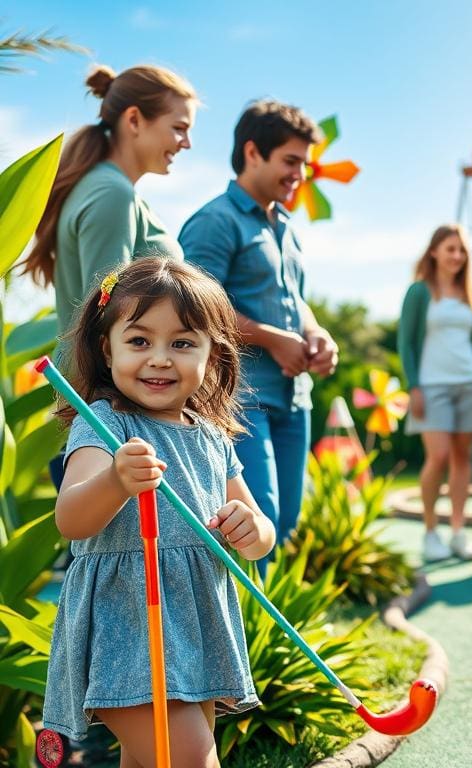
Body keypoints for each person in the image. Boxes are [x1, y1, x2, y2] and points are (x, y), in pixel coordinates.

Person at [42, 257, 275, 766]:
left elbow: (259, 534)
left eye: (183, 343)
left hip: (194, 624)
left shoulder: (211, 435)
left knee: (155, 759)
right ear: (108, 349)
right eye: (140, 341)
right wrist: (114, 481)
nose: (161, 359)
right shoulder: (104, 425)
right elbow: (72, 519)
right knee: (191, 759)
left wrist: (251, 529)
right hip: (126, 624)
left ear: (213, 355)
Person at [180, 100, 338, 547]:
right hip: (241, 401)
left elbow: (295, 301)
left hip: (294, 400)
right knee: (253, 527)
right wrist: (271, 339)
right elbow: (194, 309)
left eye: (304, 164)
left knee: (283, 525)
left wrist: (315, 333)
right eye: (291, 161)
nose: (300, 175)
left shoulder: (285, 224)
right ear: (253, 152)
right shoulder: (214, 221)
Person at [23, 64, 196, 338]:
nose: (187, 143)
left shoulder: (101, 187)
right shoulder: (112, 194)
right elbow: (106, 314)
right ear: (134, 120)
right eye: (179, 128)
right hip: (100, 380)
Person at [399, 225, 472, 562]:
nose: (456, 256)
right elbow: (406, 343)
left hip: (469, 384)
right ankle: (430, 533)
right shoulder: (419, 292)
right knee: (437, 457)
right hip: (432, 387)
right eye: (450, 249)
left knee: (462, 459)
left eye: (461, 250)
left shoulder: (471, 294)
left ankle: (458, 532)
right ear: (435, 251)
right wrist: (414, 387)